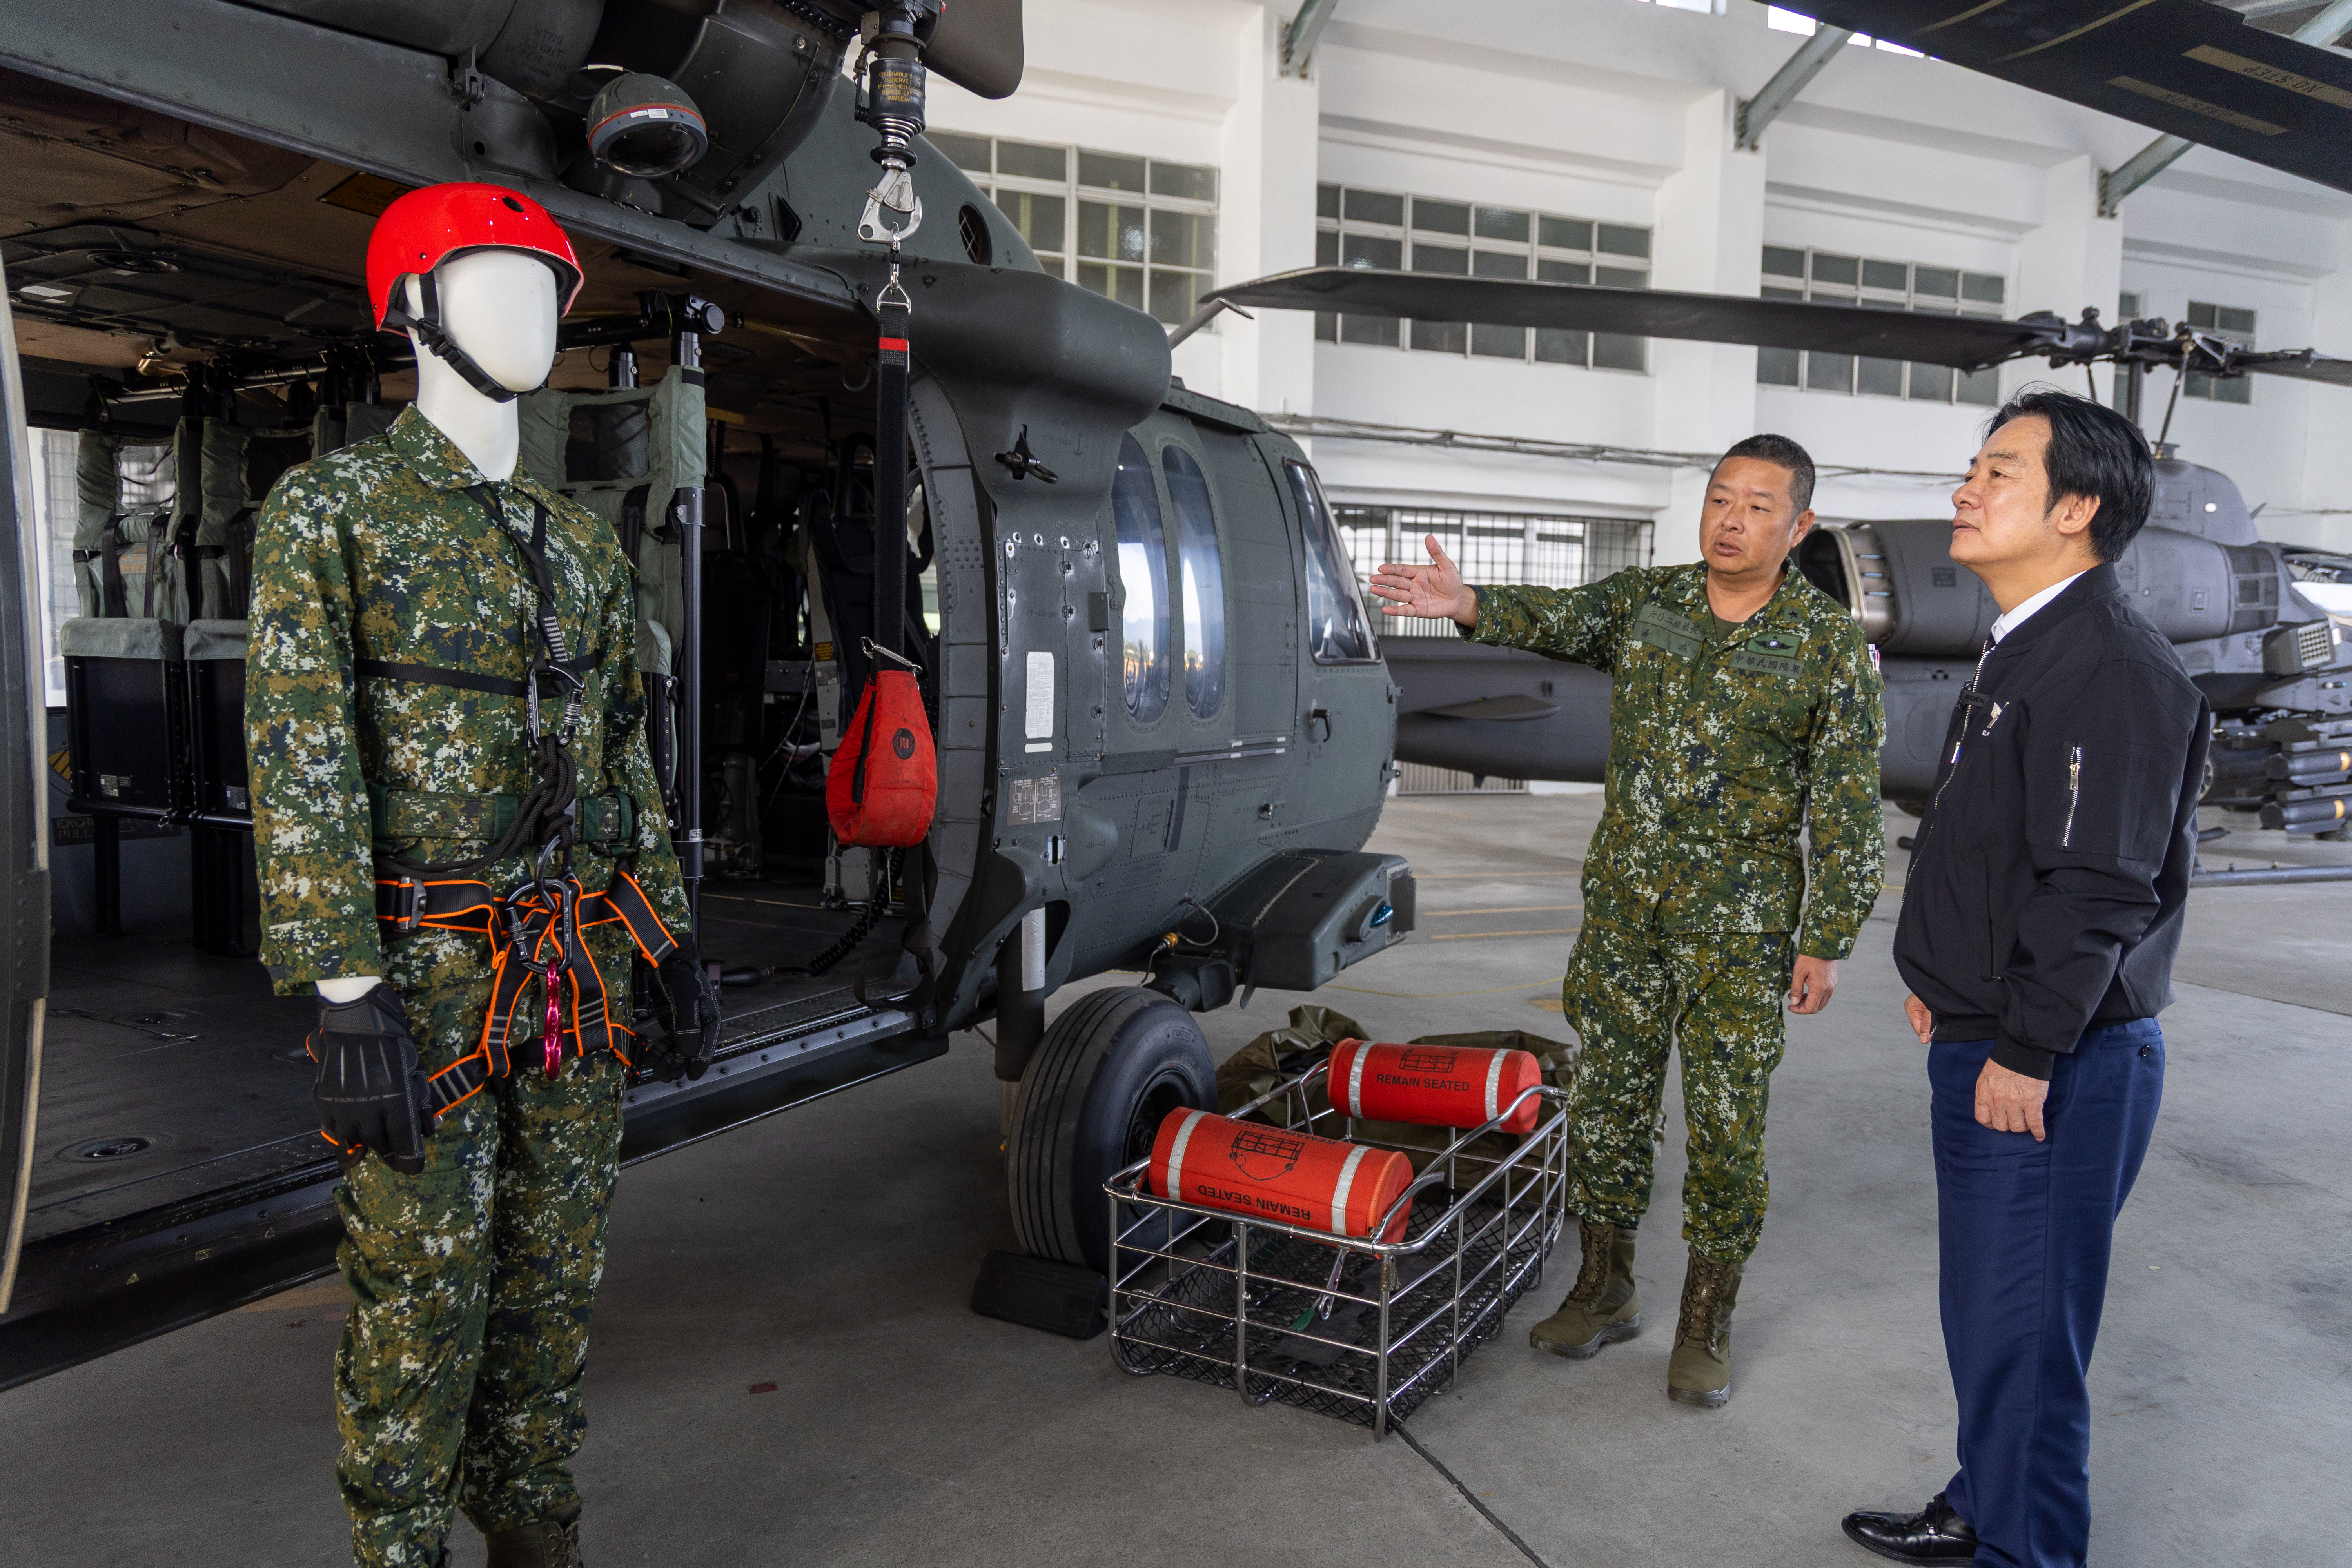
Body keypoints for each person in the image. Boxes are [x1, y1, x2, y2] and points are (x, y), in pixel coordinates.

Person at [247, 183, 717, 1567]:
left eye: (545, 286)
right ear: (411, 311)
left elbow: (623, 754)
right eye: (489, 279)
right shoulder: (332, 512)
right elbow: (300, 751)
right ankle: (403, 1552)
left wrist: (671, 947)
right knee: (419, 1299)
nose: (529, 309)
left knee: (552, 1284)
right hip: (422, 991)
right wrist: (342, 989)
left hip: (574, 975)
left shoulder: (573, 539)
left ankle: (536, 1536)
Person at [1369, 434, 1884, 1406]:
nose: (1732, 520)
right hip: (1625, 916)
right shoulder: (1650, 601)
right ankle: (1603, 1287)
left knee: (1728, 1125)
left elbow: (1849, 803)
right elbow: (1559, 616)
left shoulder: (1828, 648)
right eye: (1721, 498)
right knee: (1608, 1107)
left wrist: (1828, 934)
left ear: (1799, 525)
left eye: (1759, 506)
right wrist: (1469, 605)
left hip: (1742, 932)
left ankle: (1706, 1322)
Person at [1839, 390, 2209, 1567]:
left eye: (1998, 472)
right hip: (1991, 1027)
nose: (1964, 490)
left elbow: (2100, 886)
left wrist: (2026, 1042)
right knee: (1995, 1325)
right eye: (1974, 467)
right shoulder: (2028, 644)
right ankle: (1983, 1502)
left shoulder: (2107, 666)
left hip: (2057, 1060)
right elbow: (1995, 844)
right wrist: (1952, 981)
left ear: (2077, 508)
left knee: (2025, 1335)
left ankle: (2026, 1550)